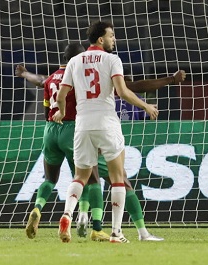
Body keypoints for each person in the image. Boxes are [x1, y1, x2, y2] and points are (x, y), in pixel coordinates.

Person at [16, 52, 185, 242]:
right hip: (91, 127)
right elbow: (134, 86)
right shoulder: (99, 75)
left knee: (70, 177)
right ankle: (105, 227)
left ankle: (62, 213)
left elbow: (41, 81)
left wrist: (24, 74)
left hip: (60, 129)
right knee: (111, 180)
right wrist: (170, 79)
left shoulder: (63, 77)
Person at [53, 21, 159, 243]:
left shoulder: (73, 61)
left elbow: (61, 96)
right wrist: (145, 106)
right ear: (101, 39)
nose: (114, 40)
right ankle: (116, 232)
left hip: (82, 124)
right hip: (106, 122)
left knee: (80, 176)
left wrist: (62, 113)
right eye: (112, 36)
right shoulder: (112, 60)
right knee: (117, 177)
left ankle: (67, 214)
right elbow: (122, 91)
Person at [14, 43, 109, 241]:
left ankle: (38, 208)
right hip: (73, 129)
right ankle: (95, 225)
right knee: (89, 178)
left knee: (50, 179)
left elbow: (40, 83)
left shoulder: (52, 78)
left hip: (50, 129)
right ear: (78, 58)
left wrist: (24, 74)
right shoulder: (79, 77)